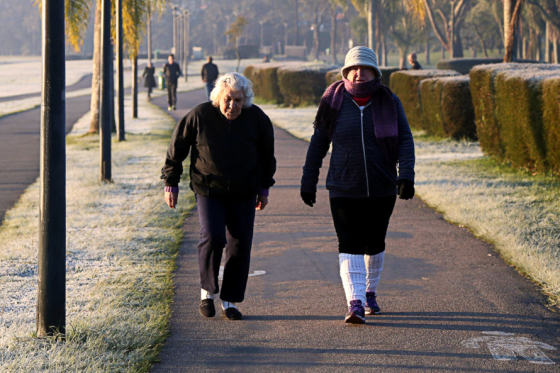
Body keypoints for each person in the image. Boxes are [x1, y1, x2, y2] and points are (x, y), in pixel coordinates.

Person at [300, 46, 416, 324]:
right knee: (349, 243)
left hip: (381, 185)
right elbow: (318, 143)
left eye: (365, 68)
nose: (359, 73)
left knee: (374, 242)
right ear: (346, 73)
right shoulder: (333, 102)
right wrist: (308, 180)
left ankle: (369, 292)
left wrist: (406, 176)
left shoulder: (389, 101)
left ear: (375, 73)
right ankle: (355, 303)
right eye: (354, 68)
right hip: (343, 186)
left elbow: (405, 140)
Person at [161, 72, 276, 320]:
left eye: (238, 100)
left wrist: (264, 189)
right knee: (213, 237)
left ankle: (230, 300)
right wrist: (171, 182)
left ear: (245, 99)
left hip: (244, 191)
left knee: (239, 244)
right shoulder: (201, 114)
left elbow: (267, 156)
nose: (232, 105)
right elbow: (177, 147)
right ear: (218, 97)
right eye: (228, 99)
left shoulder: (256, 118)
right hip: (208, 188)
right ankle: (207, 292)